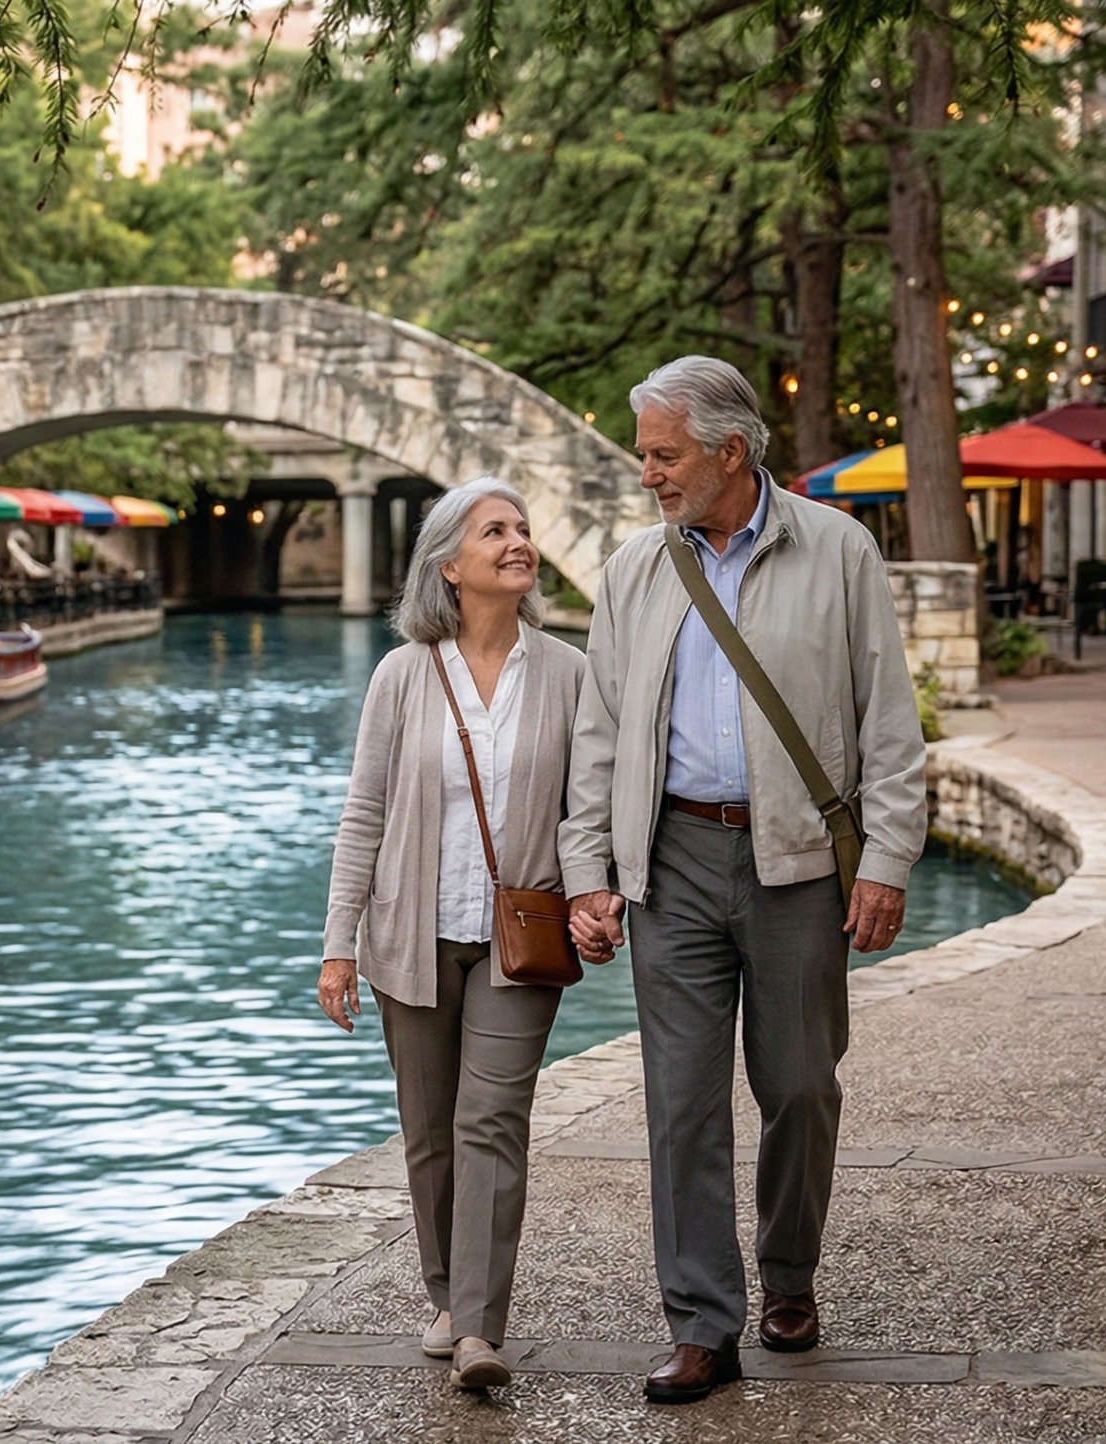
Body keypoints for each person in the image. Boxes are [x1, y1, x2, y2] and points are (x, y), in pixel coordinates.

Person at [560, 357, 928, 1404]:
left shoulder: (839, 551)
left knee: (800, 1087)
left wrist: (888, 860)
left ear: (730, 450)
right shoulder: (635, 570)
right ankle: (702, 1324)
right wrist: (587, 870)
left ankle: (788, 1274)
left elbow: (886, 725)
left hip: (799, 863)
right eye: (644, 453)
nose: (647, 474)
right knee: (678, 1104)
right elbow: (600, 734)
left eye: (663, 454)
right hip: (669, 861)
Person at [318, 477, 589, 1392]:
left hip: (522, 935)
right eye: (495, 531)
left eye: (521, 528)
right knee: (428, 1132)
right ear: (450, 565)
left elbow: (583, 807)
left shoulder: (568, 672)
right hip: (411, 932)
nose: (518, 542)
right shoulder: (401, 674)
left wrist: (594, 892)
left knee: (490, 1121)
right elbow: (363, 814)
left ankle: (477, 1326)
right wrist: (337, 941)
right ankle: (445, 1292)